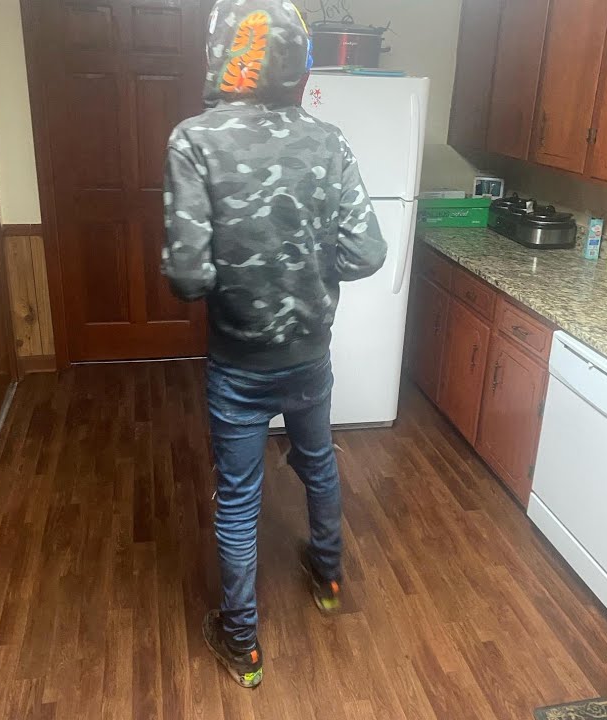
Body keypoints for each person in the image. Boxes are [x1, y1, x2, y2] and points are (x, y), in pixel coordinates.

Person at [160, 0, 386, 690]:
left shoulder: (193, 141)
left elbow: (187, 278)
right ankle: (328, 576)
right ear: (298, 60)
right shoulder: (329, 141)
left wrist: (243, 273)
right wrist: (304, 267)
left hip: (238, 365)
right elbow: (367, 252)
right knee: (317, 462)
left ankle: (243, 644)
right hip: (309, 357)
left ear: (222, 53)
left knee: (238, 499)